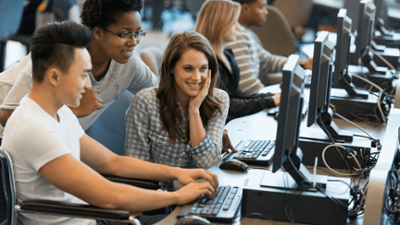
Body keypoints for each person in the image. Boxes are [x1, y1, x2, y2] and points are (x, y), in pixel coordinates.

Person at [2, 21, 218, 225]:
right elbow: (109, 197)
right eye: (83, 75)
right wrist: (177, 196)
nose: (89, 85)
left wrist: (177, 173)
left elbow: (111, 162)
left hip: (96, 217)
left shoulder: (58, 113)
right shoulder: (34, 129)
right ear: (55, 77)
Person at [0, 0, 158, 131]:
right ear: (97, 33)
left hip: (50, 139)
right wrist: (75, 111)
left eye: (137, 33)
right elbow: (8, 117)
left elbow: (161, 92)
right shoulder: (59, 54)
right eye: (124, 34)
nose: (133, 42)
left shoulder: (129, 64)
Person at [124, 31, 229, 190]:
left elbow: (208, 162)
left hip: (201, 192)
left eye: (203, 69)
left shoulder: (219, 100)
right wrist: (177, 182)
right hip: (158, 197)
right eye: (188, 68)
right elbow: (137, 171)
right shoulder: (146, 102)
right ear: (172, 68)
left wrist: (194, 111)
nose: (196, 77)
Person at [194, 0, 280, 122]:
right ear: (220, 24)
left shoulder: (226, 55)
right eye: (234, 22)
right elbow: (227, 105)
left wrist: (270, 97)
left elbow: (236, 93)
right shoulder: (206, 63)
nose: (238, 27)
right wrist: (267, 102)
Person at [227, 0, 313, 94]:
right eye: (261, 7)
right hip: (252, 103)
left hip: (256, 101)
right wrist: (273, 99)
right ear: (245, 9)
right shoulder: (238, 37)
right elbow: (249, 88)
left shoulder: (247, 34)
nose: (266, 12)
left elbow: (268, 62)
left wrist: (303, 64)